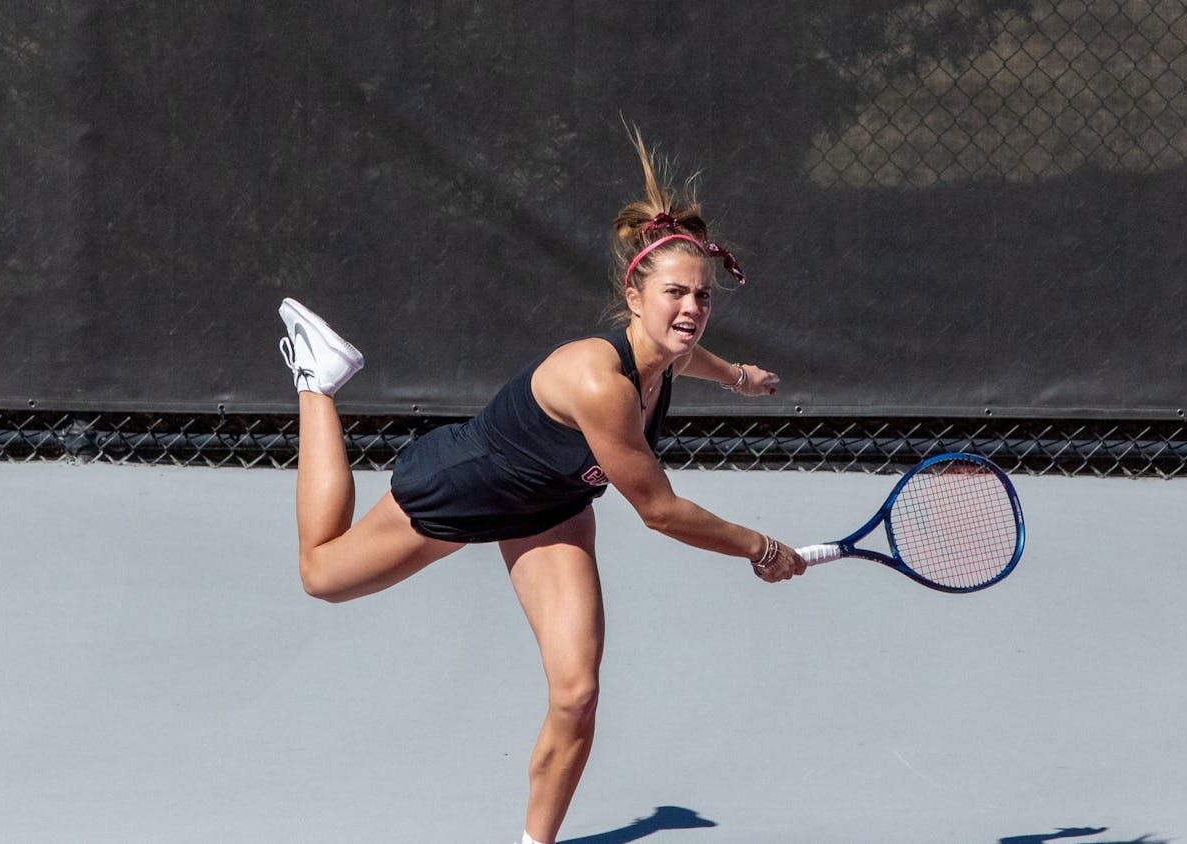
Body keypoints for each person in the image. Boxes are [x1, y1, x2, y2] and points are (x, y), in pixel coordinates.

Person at [276, 133, 805, 844]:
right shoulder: (600, 381)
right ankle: (318, 380)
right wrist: (759, 546)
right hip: (465, 487)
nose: (690, 309)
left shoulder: (665, 354)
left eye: (703, 297)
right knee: (321, 575)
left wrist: (738, 374)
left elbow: (686, 354)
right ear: (633, 295)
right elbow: (659, 511)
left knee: (577, 694)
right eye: (674, 293)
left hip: (551, 509)